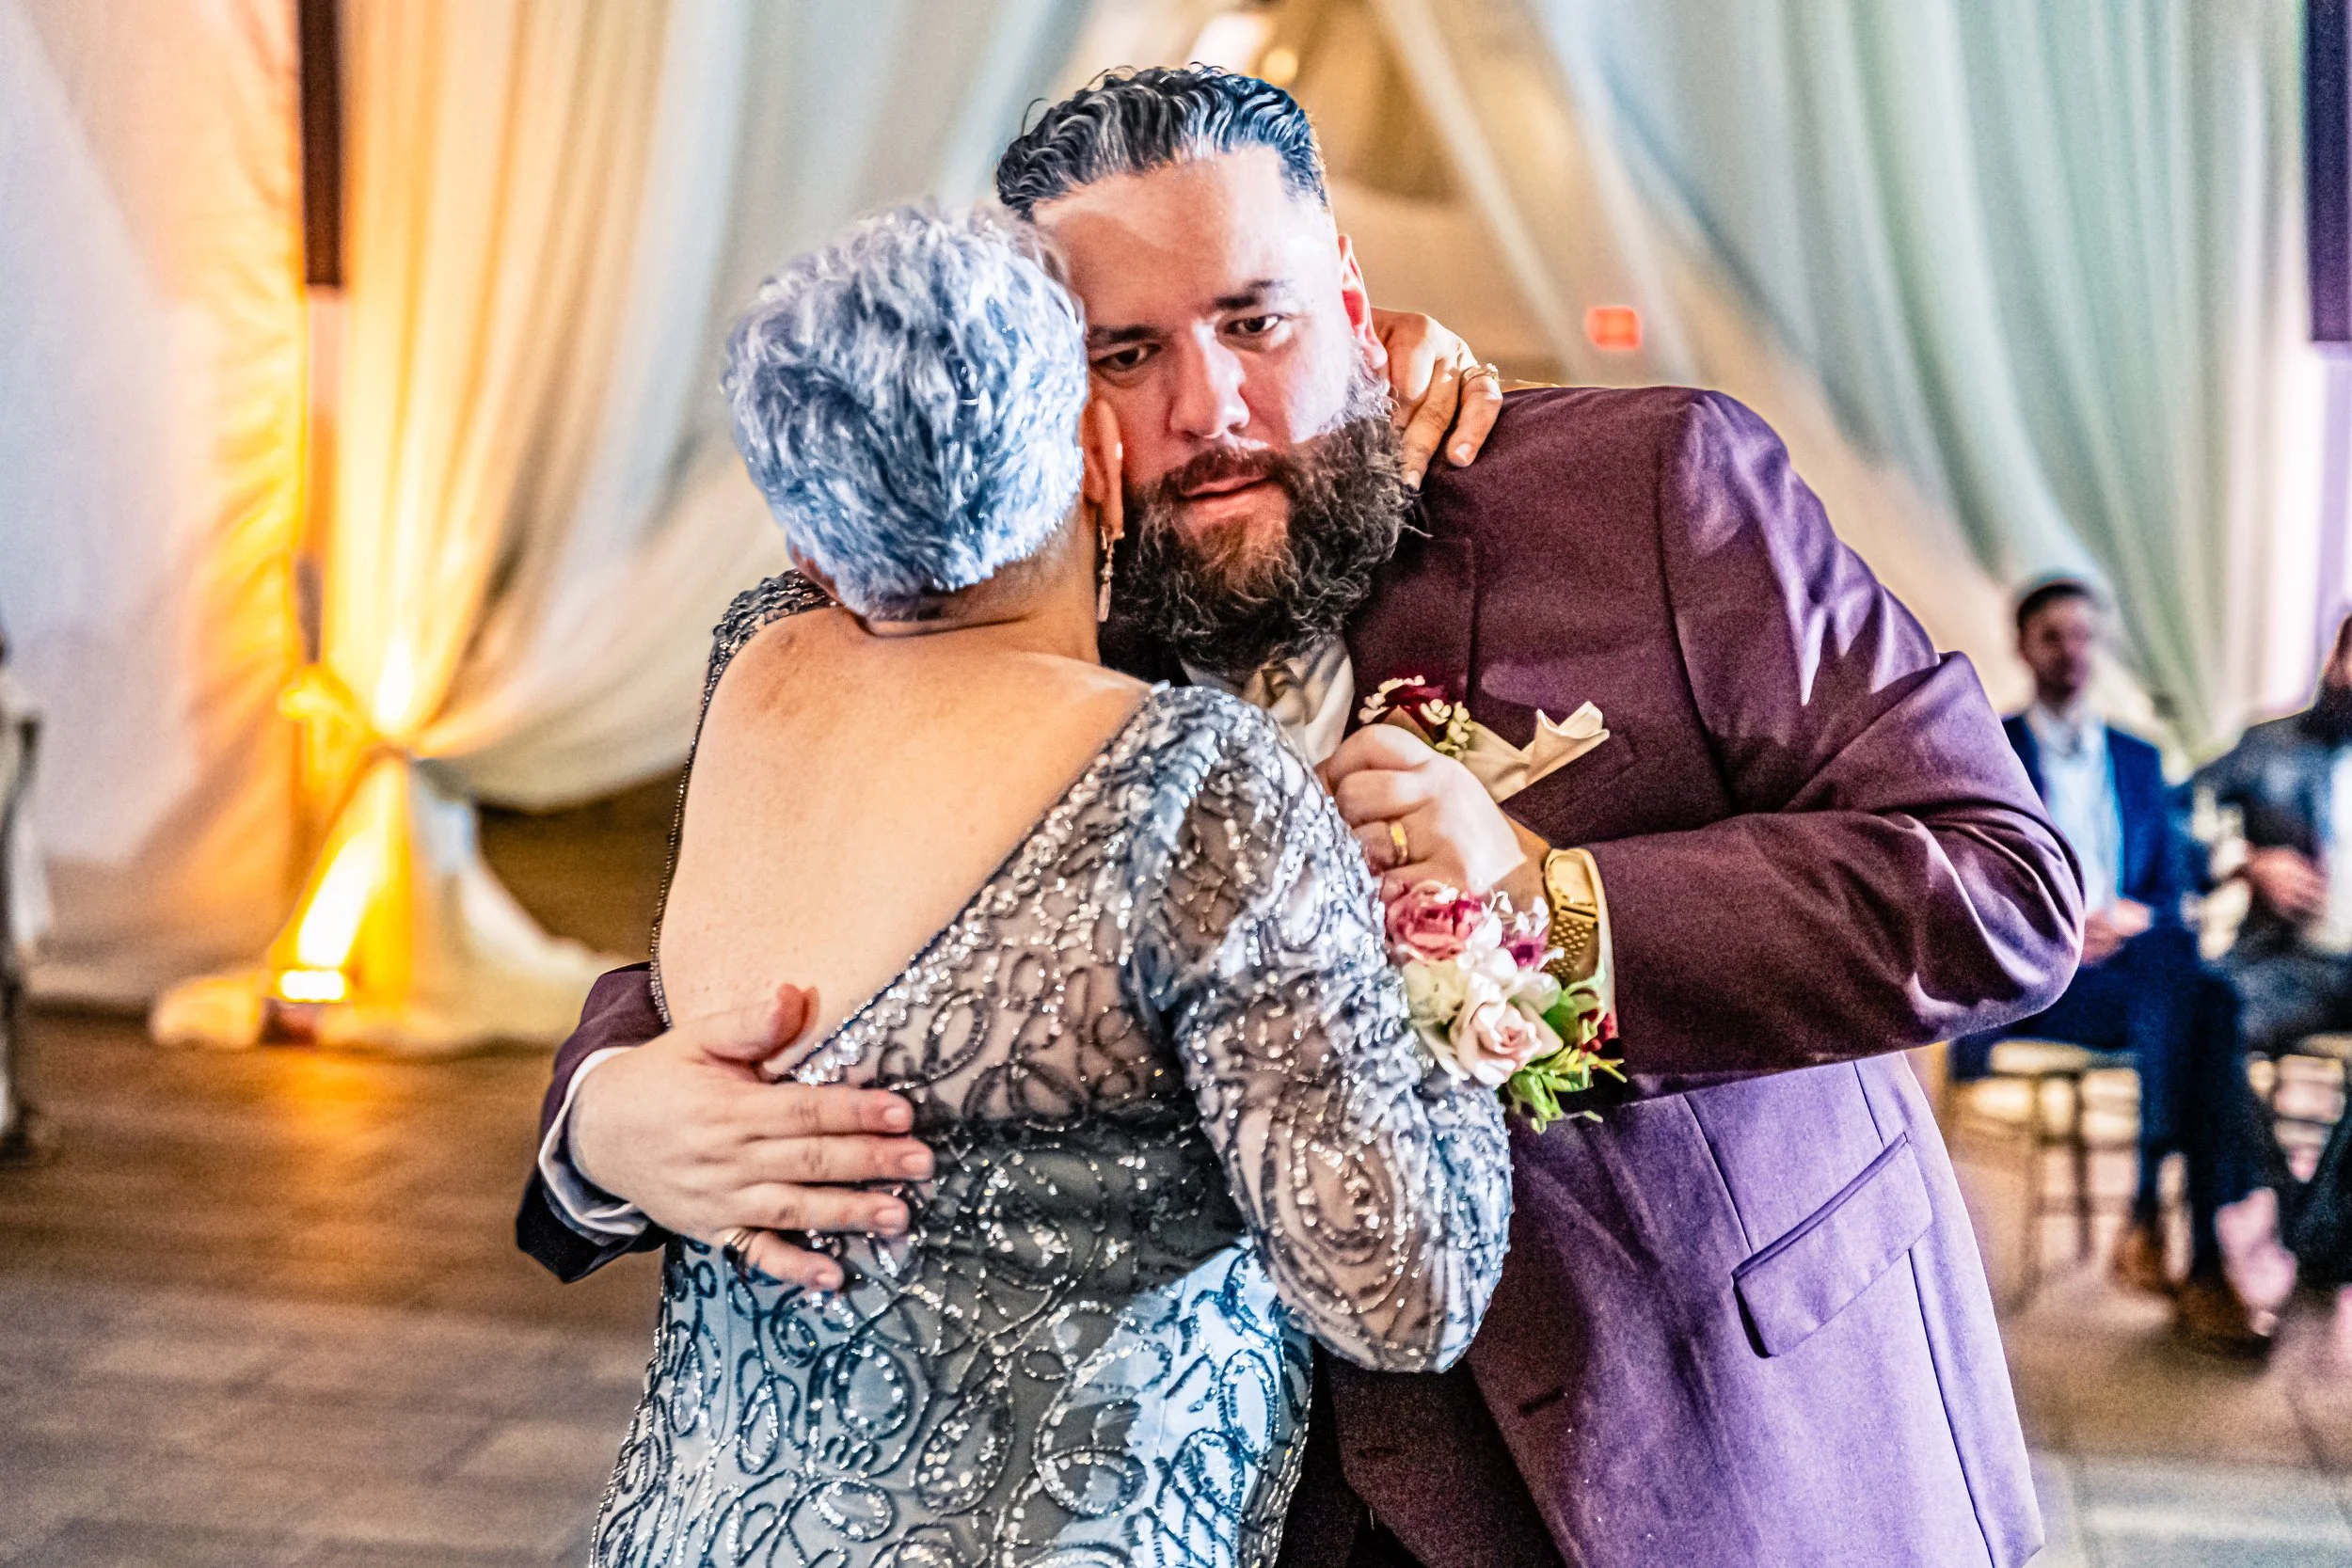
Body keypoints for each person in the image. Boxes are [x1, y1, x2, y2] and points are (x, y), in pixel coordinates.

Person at [521, 69, 2082, 1568]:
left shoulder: (1650, 491)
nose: (1210, 408)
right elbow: (776, 897)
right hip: (1272, 1512)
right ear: (1054, 405)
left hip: (1722, 1453)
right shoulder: (1021, 617)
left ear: (1349, 284)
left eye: (1254, 319)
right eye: (1124, 354)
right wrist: (603, 1121)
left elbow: (2004, 886)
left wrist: (1547, 908)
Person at [581, 205, 1512, 1567]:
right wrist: (1465, 926)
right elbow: (1401, 1293)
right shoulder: (1191, 785)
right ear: (1093, 452)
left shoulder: (754, 662)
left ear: (807, 544)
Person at [1955, 579, 2265, 1353]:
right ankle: (2177, 1237)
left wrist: (2136, 919)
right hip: (2039, 984)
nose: (2074, 652)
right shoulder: (1990, 749)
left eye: (2085, 636)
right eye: (2056, 635)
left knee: (2200, 997)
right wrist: (2057, 930)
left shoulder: (2137, 758)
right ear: (2026, 646)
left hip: (2132, 976)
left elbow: (2167, 889)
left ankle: (2170, 1238)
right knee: (2205, 1004)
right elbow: (1965, 886)